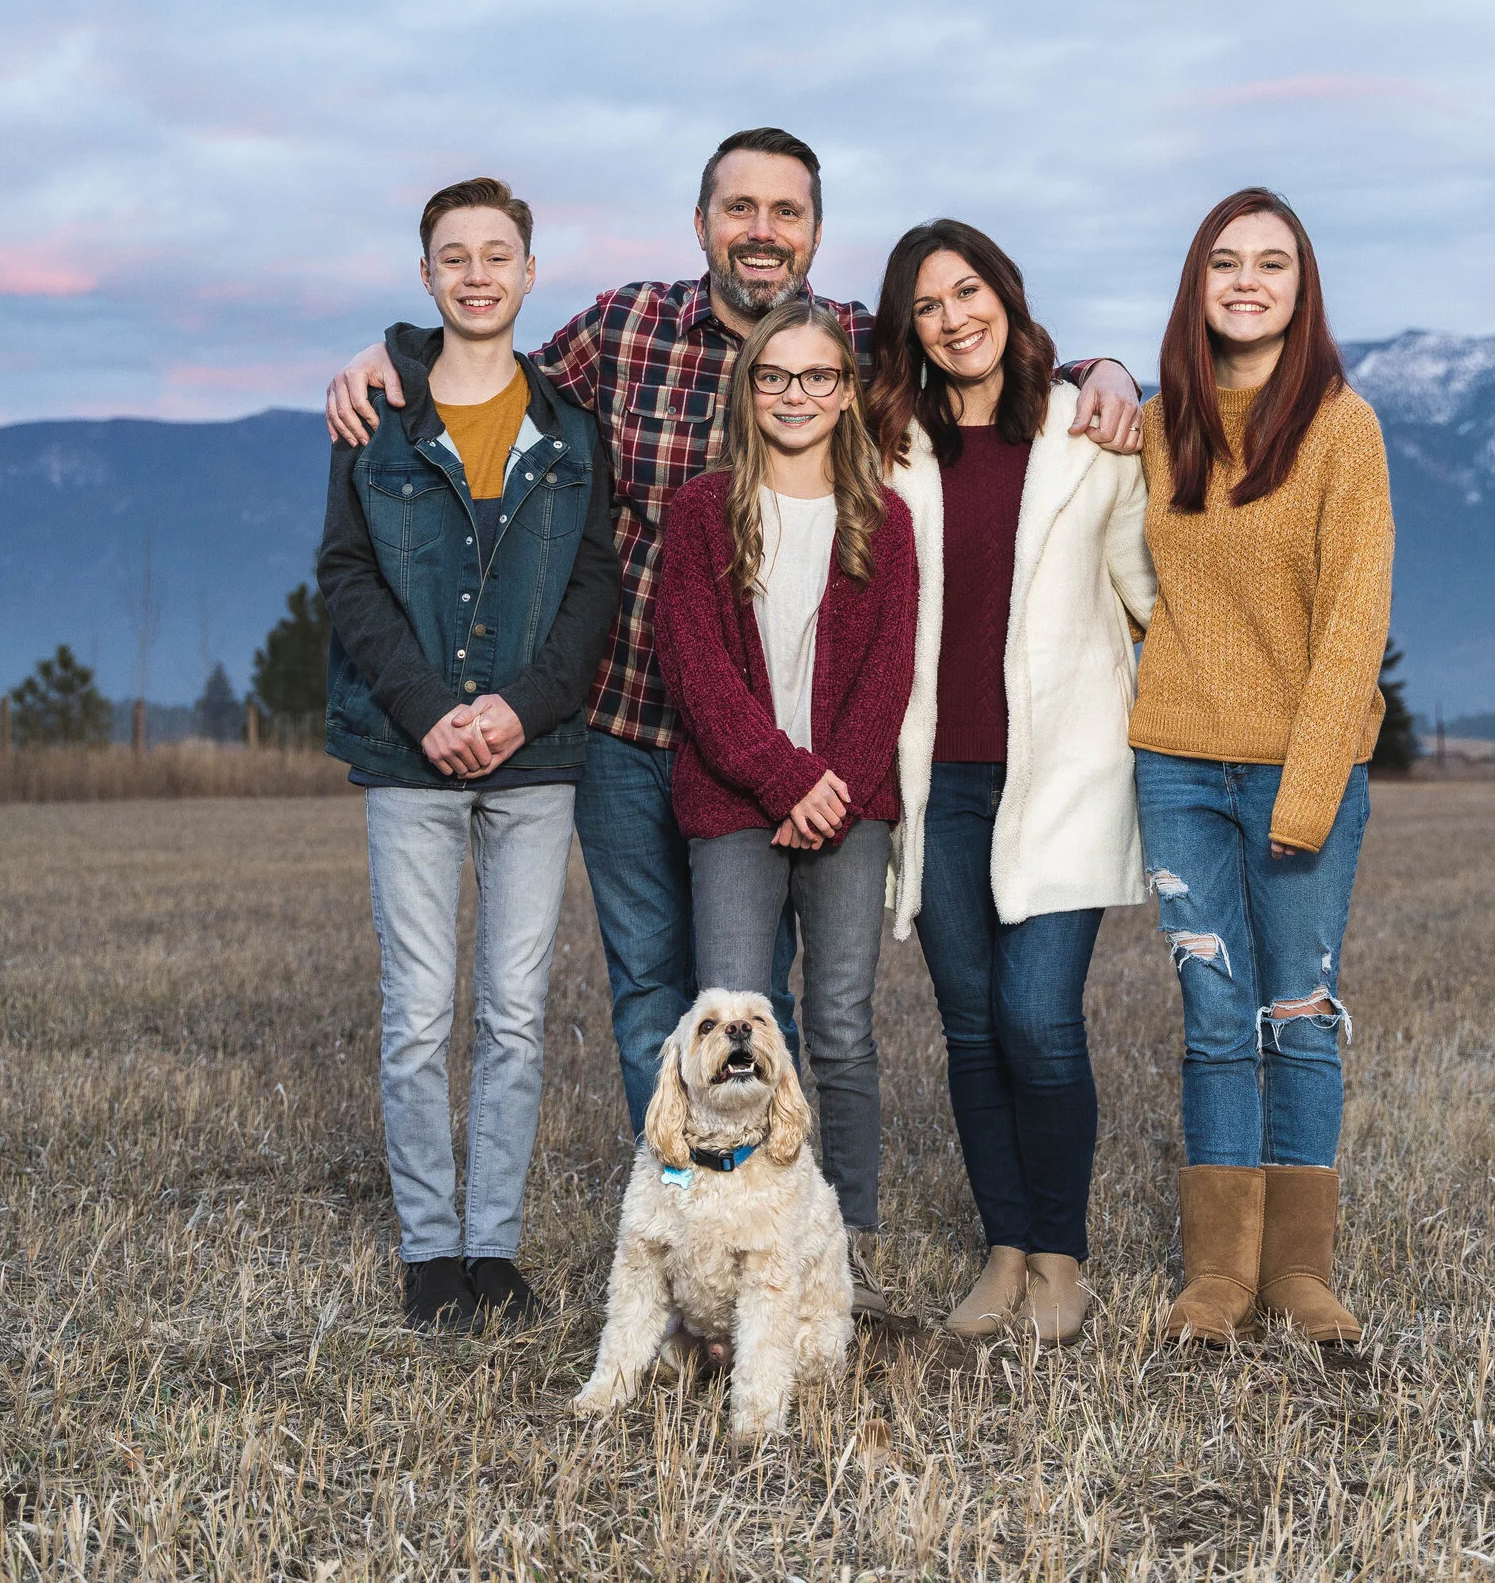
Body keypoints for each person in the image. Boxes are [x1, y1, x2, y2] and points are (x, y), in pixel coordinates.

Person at [322, 129, 1144, 1156]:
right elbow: (490, 368)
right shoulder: (625, 325)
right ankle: (683, 1213)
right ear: (702, 222)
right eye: (739, 209)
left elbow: (971, 356)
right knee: (654, 994)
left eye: (785, 212)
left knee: (767, 1000)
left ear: (812, 233)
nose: (762, 232)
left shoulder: (847, 337)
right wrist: (393, 351)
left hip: (786, 741)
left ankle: (783, 1224)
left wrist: (1099, 368)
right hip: (629, 721)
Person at [315, 177, 620, 1330]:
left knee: (511, 1012)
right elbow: (345, 571)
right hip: (408, 756)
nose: (478, 272)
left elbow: (593, 584)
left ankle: (494, 1248)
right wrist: (429, 706)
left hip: (534, 760)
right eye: (455, 255)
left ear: (529, 274)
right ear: (428, 274)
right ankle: (429, 1252)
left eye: (499, 254)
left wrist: (521, 708)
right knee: (415, 1013)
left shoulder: (570, 429)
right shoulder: (373, 416)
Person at [867, 220, 1156, 1342]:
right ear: (910, 330)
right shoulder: (889, 445)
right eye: (927, 305)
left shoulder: (1089, 434)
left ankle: (1061, 1253)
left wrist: (1106, 365)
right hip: (937, 781)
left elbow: (1146, 594)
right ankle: (1002, 1250)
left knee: (1039, 1018)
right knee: (972, 1028)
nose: (952, 317)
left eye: (968, 290)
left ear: (1007, 294)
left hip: (1069, 771)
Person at [1130, 188, 1393, 1348]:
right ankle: (1218, 1279)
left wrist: (1307, 786)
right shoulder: (1156, 424)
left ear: (1303, 285)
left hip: (1303, 766)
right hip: (1176, 761)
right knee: (1212, 1013)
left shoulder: (1343, 426)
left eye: (1271, 264)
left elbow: (1353, 619)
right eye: (1224, 263)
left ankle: (1298, 1272)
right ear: (1197, 283)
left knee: (1299, 1009)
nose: (1246, 281)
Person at [651, 303, 917, 1319]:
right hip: (732, 803)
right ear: (747, 390)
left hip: (852, 808)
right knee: (727, 1014)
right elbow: (698, 670)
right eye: (775, 377)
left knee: (841, 1025)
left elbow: (888, 674)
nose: (795, 394)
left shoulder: (883, 521)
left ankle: (844, 1246)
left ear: (846, 391)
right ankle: (712, 1248)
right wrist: (781, 778)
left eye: (816, 377)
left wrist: (831, 786)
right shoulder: (701, 513)